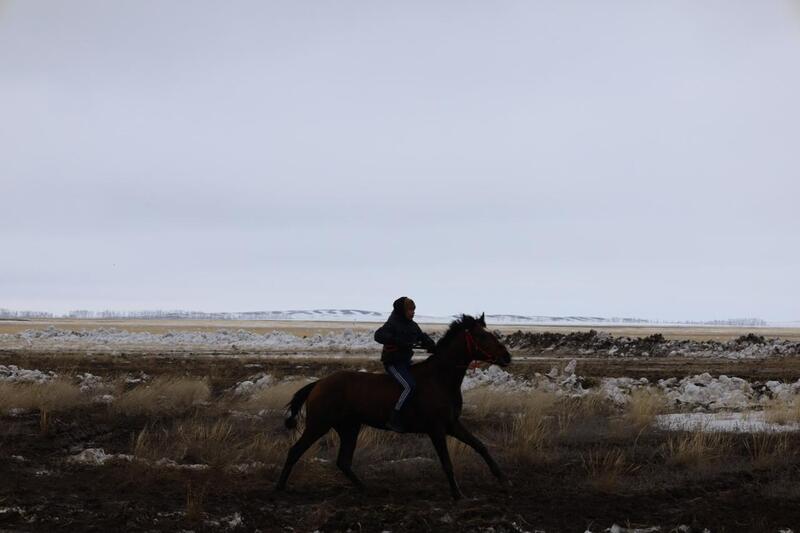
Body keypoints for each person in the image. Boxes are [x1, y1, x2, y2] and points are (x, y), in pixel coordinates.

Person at [373, 296, 436, 432]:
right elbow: (378, 336)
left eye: (413, 310)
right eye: (409, 310)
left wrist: (430, 343)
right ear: (402, 311)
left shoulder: (412, 325)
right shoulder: (392, 323)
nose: (412, 312)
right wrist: (397, 340)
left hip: (406, 363)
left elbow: (421, 336)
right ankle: (394, 417)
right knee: (409, 386)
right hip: (393, 364)